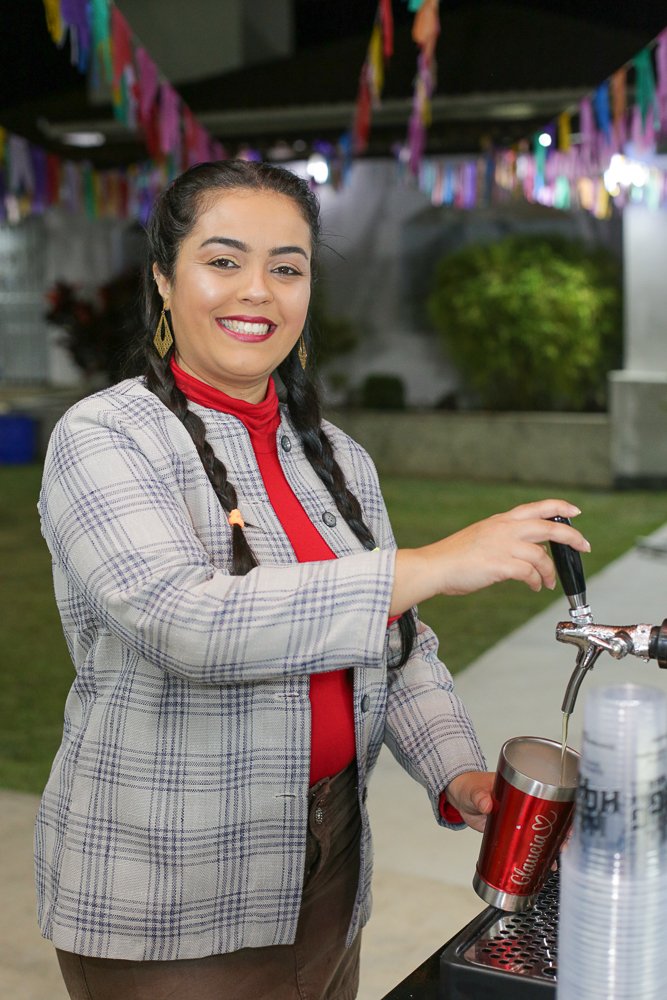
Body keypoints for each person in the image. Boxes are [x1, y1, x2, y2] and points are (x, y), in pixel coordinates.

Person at [35, 159, 589, 1000]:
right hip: (170, 885)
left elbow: (397, 646)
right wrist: (432, 565)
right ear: (163, 278)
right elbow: (186, 622)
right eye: (223, 261)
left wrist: (455, 772)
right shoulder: (107, 436)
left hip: (329, 865)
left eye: (286, 268)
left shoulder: (333, 458)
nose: (256, 291)